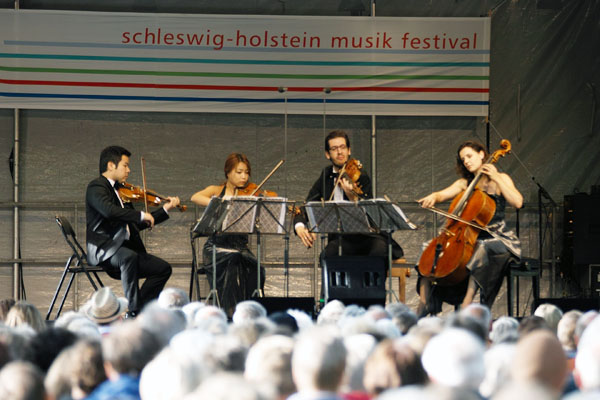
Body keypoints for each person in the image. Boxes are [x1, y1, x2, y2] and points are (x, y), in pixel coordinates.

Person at [416, 140, 522, 315]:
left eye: (469, 156)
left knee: (482, 247)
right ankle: (424, 302)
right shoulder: (464, 184)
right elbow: (442, 194)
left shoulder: (501, 179)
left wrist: (495, 177)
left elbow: (518, 202)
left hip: (498, 236)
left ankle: (467, 304)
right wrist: (433, 197)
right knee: (429, 247)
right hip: (470, 237)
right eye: (463, 159)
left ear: (481, 154)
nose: (466, 161)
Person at [293, 130, 403, 300]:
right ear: (327, 154)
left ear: (349, 150)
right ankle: (330, 302)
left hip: (369, 237)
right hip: (342, 239)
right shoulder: (326, 176)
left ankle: (373, 301)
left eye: (343, 147)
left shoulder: (361, 175)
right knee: (330, 253)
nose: (340, 152)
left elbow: (370, 214)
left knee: (379, 252)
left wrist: (352, 196)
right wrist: (300, 226)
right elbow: (307, 205)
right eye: (334, 148)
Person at [86, 145, 180, 316]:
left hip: (125, 250)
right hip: (104, 248)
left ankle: (142, 310)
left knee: (163, 268)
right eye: (125, 165)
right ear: (110, 165)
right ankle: (134, 310)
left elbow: (136, 224)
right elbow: (109, 211)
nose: (128, 170)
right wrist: (140, 214)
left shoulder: (121, 192)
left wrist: (165, 210)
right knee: (129, 256)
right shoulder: (96, 187)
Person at [191, 152, 266, 317]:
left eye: (246, 172)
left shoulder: (250, 194)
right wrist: (223, 202)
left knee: (257, 267)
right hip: (216, 246)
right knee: (234, 259)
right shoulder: (217, 190)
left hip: (240, 246)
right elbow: (195, 197)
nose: (244, 177)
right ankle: (229, 311)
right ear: (228, 172)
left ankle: (250, 310)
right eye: (239, 172)